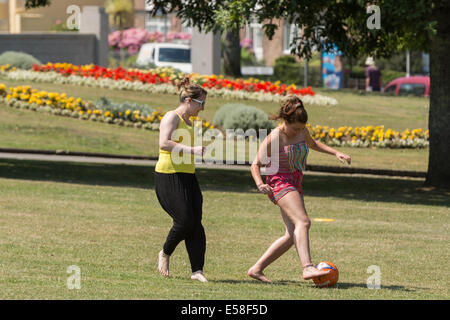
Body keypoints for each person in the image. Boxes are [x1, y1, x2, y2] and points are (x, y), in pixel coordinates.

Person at [248, 95, 351, 283]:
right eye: (295, 128)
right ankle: (307, 267)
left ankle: (257, 269)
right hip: (279, 183)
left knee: (291, 235)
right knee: (303, 222)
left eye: (302, 128)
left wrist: (336, 152)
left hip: (295, 183)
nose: (299, 132)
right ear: (285, 121)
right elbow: (255, 164)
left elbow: (314, 144)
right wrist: (260, 184)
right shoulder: (275, 137)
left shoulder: (302, 131)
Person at [155, 76, 208, 282]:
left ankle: (197, 271)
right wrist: (192, 149)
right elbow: (163, 143)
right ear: (189, 101)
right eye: (201, 103)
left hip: (188, 176)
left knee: (196, 223)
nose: (202, 108)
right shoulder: (172, 116)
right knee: (184, 220)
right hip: (168, 176)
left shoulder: (191, 122)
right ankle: (165, 253)